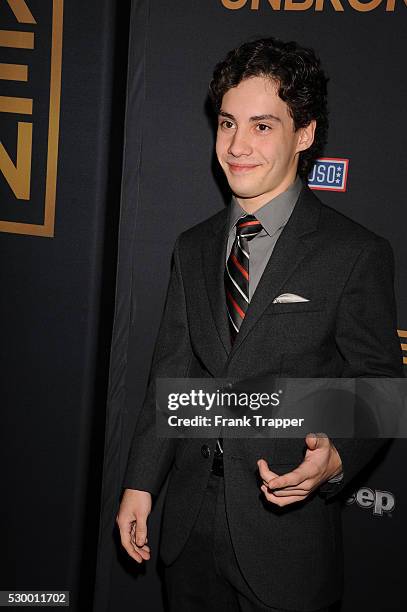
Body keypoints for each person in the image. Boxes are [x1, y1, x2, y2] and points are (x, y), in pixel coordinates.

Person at [116, 37, 403, 611]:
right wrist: (141, 482)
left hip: (286, 543)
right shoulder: (193, 246)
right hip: (188, 530)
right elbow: (172, 371)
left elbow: (381, 384)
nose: (238, 146)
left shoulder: (353, 251)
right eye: (227, 124)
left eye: (262, 126)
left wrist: (337, 458)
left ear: (304, 134)